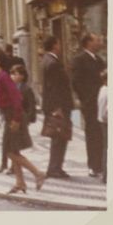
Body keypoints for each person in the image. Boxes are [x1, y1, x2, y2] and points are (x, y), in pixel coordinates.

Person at [0, 51, 45, 194]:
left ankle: (38, 173)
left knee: (9, 152)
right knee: (13, 150)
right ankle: (20, 183)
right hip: (9, 116)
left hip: (14, 116)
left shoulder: (3, 77)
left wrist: (16, 119)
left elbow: (17, 98)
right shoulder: (0, 77)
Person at [72, 34, 106, 177]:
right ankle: (93, 166)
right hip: (90, 103)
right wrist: (85, 99)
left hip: (102, 102)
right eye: (97, 40)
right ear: (88, 43)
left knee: (102, 135)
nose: (99, 42)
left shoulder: (99, 60)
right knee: (92, 134)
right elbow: (76, 82)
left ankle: (102, 164)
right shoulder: (79, 60)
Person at [41, 35, 74, 179]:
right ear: (54, 45)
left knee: (59, 137)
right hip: (58, 106)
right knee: (59, 137)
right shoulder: (53, 63)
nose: (60, 46)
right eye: (59, 43)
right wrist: (57, 108)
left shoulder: (47, 60)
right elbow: (54, 87)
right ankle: (54, 168)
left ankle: (56, 167)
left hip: (55, 105)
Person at [5, 64, 37, 175]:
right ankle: (13, 167)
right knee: (13, 145)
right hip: (12, 119)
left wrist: (28, 118)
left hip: (21, 119)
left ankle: (15, 167)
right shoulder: (9, 87)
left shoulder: (26, 89)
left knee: (15, 145)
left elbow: (31, 105)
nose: (13, 76)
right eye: (12, 74)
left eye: (16, 74)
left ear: (22, 76)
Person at [97, 68, 108, 184]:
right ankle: (106, 175)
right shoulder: (107, 92)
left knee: (106, 148)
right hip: (106, 123)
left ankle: (105, 175)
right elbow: (105, 112)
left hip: (102, 122)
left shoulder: (102, 89)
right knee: (107, 148)